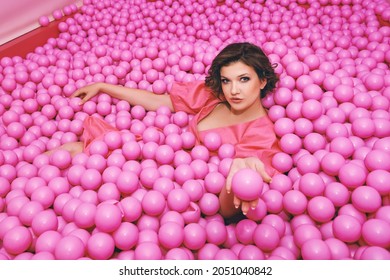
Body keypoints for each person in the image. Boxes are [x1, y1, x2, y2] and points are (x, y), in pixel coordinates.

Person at [55, 42, 281, 218]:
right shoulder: (216, 97)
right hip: (145, 158)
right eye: (226, 80)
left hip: (175, 196)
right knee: (70, 150)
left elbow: (224, 211)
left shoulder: (260, 137)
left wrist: (242, 177)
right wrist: (104, 86)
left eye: (243, 79)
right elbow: (160, 102)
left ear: (262, 81)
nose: (234, 90)